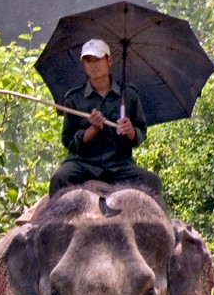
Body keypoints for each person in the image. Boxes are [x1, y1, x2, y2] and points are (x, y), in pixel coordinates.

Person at [48, 38, 162, 199]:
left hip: (119, 165)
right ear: (84, 65)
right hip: (83, 164)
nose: (93, 65)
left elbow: (140, 132)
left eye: (97, 59)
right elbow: (68, 140)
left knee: (152, 181)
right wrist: (92, 129)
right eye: (88, 61)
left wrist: (129, 132)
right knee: (59, 178)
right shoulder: (74, 99)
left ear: (109, 60)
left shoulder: (128, 95)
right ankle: (53, 224)